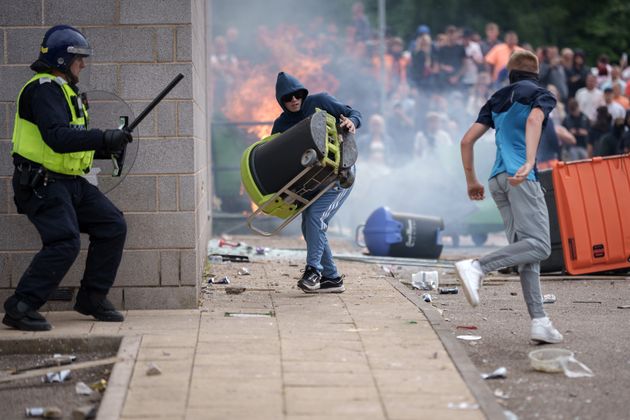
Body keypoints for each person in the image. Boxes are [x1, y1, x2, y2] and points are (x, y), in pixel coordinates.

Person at [3, 25, 130, 331]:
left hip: (71, 181)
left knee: (112, 225)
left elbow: (71, 145)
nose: (82, 65)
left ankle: (91, 299)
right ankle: (20, 307)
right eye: (78, 59)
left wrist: (108, 145)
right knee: (64, 242)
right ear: (62, 59)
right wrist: (102, 137)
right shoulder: (43, 89)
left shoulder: (64, 90)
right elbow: (58, 138)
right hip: (42, 182)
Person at [456, 50, 563, 344]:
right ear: (536, 73)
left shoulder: (497, 98)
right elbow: (533, 122)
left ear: (510, 73)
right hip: (521, 177)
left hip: (496, 180)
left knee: (527, 252)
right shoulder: (542, 94)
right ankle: (477, 267)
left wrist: (471, 181)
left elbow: (467, 140)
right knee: (541, 245)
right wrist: (529, 161)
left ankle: (540, 321)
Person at [272, 72, 362, 293]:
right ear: (281, 101)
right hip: (312, 182)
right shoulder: (281, 124)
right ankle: (331, 279)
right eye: (287, 98)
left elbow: (353, 113)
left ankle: (313, 270)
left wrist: (352, 122)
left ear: (303, 93)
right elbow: (276, 156)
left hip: (340, 175)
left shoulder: (320, 101)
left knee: (316, 217)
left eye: (297, 95)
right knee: (308, 225)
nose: (293, 100)